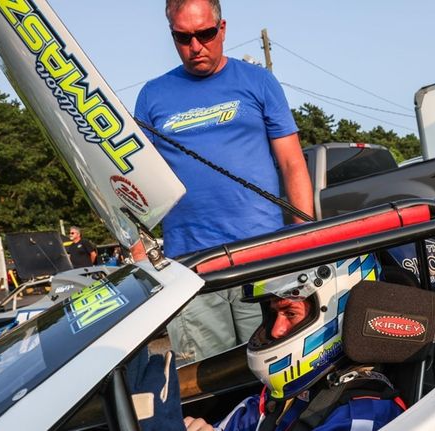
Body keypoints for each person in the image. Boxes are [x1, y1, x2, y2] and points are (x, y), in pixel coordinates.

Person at [135, 0, 314, 363]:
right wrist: (140, 252)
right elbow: (139, 183)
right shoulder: (152, 95)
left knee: (274, 366)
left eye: (205, 33)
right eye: (183, 37)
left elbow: (292, 164)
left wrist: (306, 243)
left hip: (263, 259)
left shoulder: (259, 82)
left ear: (223, 29)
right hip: (190, 267)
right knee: (205, 381)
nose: (196, 46)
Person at [182, 257, 405, 431]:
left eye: (290, 313)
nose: (276, 330)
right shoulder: (277, 400)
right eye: (273, 315)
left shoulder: (365, 413)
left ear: (338, 312)